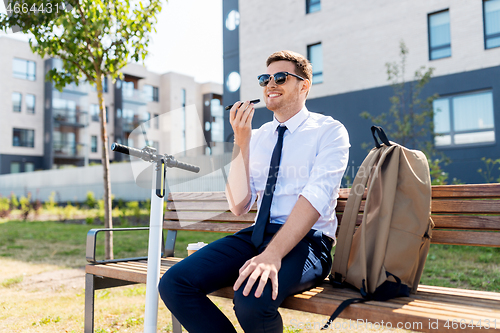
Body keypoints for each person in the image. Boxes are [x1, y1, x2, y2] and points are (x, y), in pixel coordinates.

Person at [159, 50, 350, 333]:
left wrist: (272, 255)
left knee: (252, 300)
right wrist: (242, 141)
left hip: (309, 243)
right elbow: (238, 205)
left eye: (281, 78)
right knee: (175, 283)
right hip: (257, 236)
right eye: (265, 79)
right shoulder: (257, 136)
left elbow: (315, 197)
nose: (270, 84)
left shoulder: (329, 131)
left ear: (304, 85)